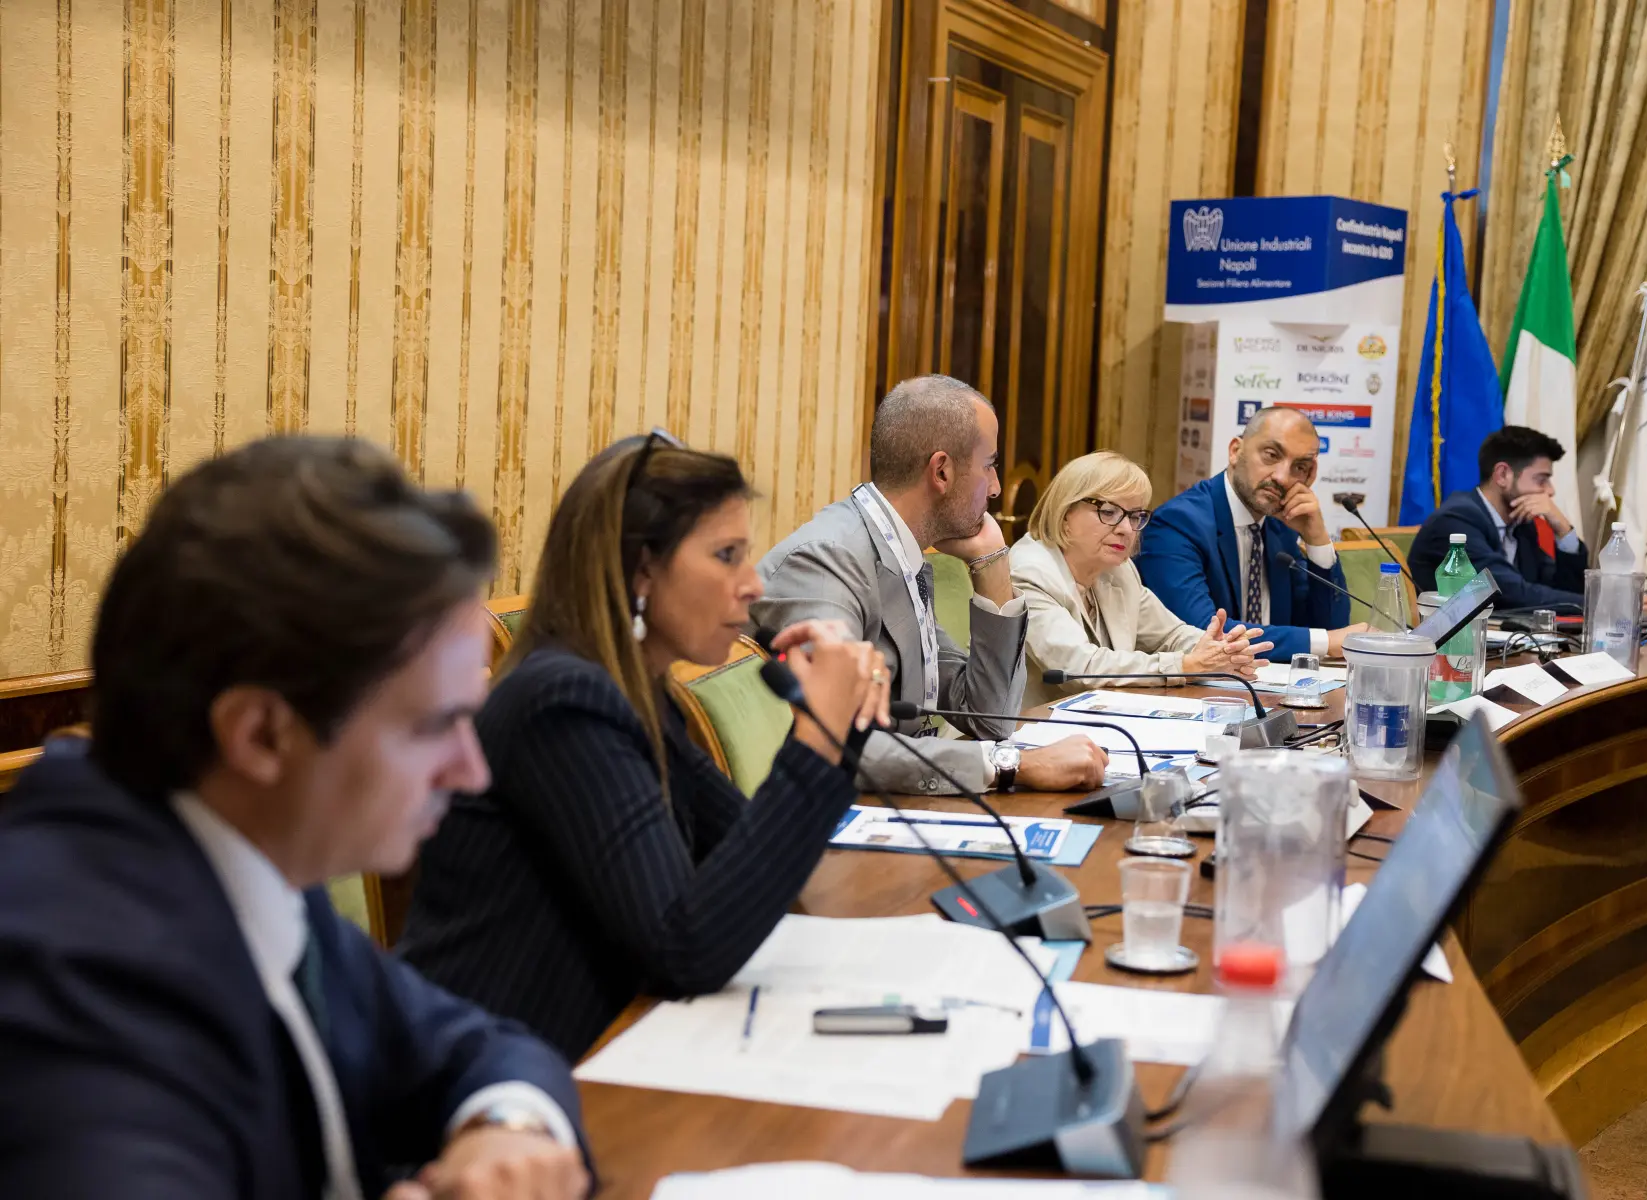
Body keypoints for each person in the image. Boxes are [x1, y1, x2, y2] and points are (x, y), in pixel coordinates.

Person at [0, 438, 589, 1199]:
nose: (471, 771)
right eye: (435, 725)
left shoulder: (250, 852)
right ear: (261, 736)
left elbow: (475, 1044)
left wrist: (505, 1126)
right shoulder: (72, 981)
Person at [400, 433, 888, 1063]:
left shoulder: (639, 694)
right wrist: (815, 739)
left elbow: (748, 863)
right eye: (727, 555)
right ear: (640, 570)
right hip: (492, 1080)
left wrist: (841, 717)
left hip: (593, 1053)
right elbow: (685, 948)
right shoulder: (562, 702)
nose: (753, 585)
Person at [756, 375, 1108, 795]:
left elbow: (990, 718)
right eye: (990, 465)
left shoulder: (897, 551)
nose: (996, 488)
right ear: (942, 470)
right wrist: (1015, 765)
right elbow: (835, 743)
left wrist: (993, 563)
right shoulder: (827, 559)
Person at [1011, 451, 1274, 708]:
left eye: (1135, 516)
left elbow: (1171, 634)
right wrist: (1186, 666)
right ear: (1065, 513)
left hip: (1103, 719)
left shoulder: (1118, 569)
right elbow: (1079, 668)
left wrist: (1222, 650)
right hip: (1035, 727)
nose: (1126, 529)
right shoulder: (1029, 572)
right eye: (1108, 512)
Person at [1137, 406, 1361, 662]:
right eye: (1271, 455)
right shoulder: (1177, 524)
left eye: (1299, 467)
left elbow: (1330, 627)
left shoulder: (1280, 526)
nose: (1282, 478)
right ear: (1235, 451)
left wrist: (1317, 539)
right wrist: (1326, 641)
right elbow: (1204, 635)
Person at [1407, 424, 1588, 611]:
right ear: (1502, 475)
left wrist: (1563, 530)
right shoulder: (1456, 520)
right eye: (1541, 480)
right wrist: (1594, 603)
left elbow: (1559, 592)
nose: (1550, 491)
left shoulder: (1521, 525)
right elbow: (1509, 592)